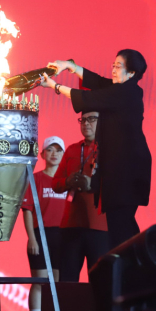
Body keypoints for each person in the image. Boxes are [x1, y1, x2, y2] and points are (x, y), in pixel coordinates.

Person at [39, 50, 152, 248]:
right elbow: (98, 81)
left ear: (131, 73)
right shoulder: (123, 89)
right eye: (113, 64)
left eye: (118, 66)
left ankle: (133, 270)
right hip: (120, 169)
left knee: (122, 227)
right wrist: (70, 66)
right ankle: (132, 269)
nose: (113, 70)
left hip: (127, 171)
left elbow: (88, 97)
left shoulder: (126, 93)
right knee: (121, 226)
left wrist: (55, 87)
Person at [52, 111, 109, 282]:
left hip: (99, 227)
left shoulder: (110, 150)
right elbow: (55, 184)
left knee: (100, 282)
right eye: (83, 120)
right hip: (71, 225)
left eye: (91, 119)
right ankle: (66, 310)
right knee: (67, 280)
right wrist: (67, 182)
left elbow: (119, 186)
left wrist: (92, 184)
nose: (86, 124)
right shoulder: (72, 149)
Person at [21, 136, 67, 311]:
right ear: (43, 154)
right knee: (39, 282)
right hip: (41, 235)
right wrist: (32, 238)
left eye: (58, 150)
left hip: (63, 235)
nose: (54, 154)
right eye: (50, 150)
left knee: (57, 285)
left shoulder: (68, 180)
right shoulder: (36, 179)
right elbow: (27, 210)